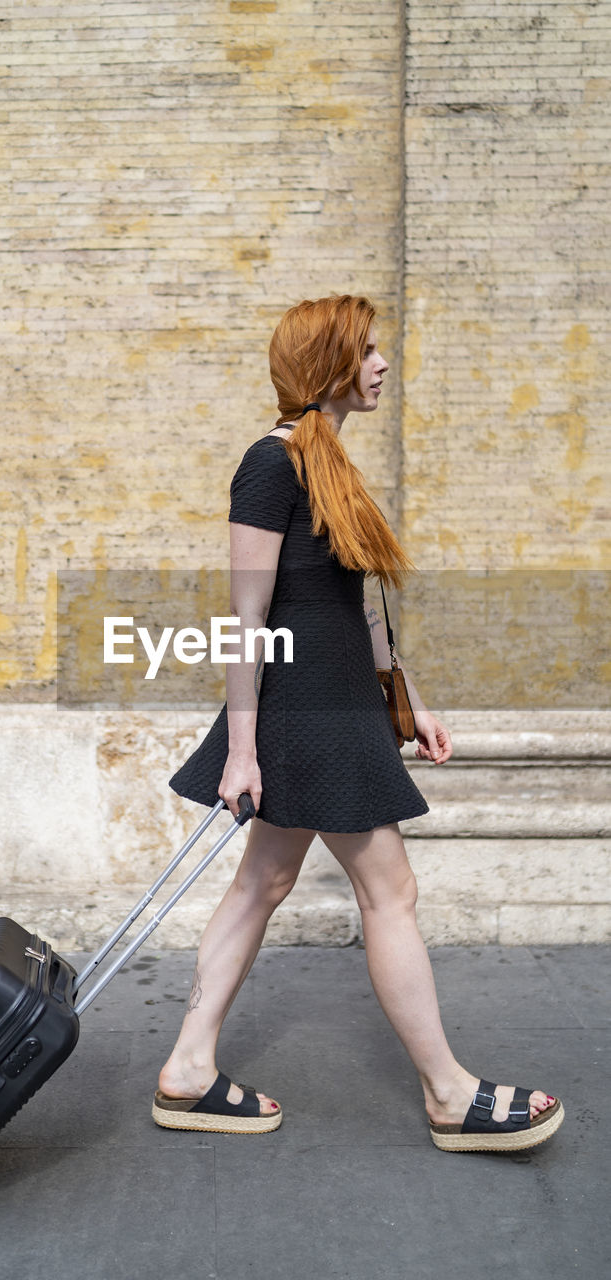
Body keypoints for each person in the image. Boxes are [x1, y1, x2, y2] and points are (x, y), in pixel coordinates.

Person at [151, 295, 563, 1152]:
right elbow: (245, 617)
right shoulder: (269, 465)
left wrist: (405, 699)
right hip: (304, 710)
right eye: (367, 350)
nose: (380, 364)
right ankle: (449, 1095)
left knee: (262, 884)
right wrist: (240, 750)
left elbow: (355, 601)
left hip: (335, 703)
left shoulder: (326, 459)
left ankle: (188, 1070)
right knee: (392, 892)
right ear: (329, 362)